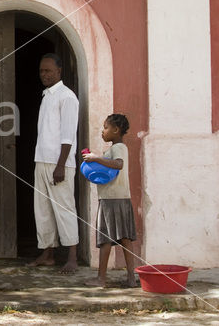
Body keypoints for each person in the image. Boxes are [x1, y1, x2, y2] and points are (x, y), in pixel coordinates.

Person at [29, 53, 80, 274]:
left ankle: (72, 257)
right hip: (42, 160)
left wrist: (61, 165)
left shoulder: (67, 97)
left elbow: (68, 135)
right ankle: (47, 254)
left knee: (64, 208)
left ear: (59, 71)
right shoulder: (46, 96)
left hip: (59, 163)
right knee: (43, 209)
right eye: (42, 71)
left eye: (48, 71)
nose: (44, 75)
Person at [83, 114, 137, 288]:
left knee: (106, 239)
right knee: (125, 238)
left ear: (116, 130)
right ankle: (131, 278)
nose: (103, 131)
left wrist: (96, 159)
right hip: (121, 198)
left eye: (105, 127)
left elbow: (118, 164)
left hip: (111, 199)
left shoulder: (118, 147)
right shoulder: (116, 148)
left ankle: (101, 279)